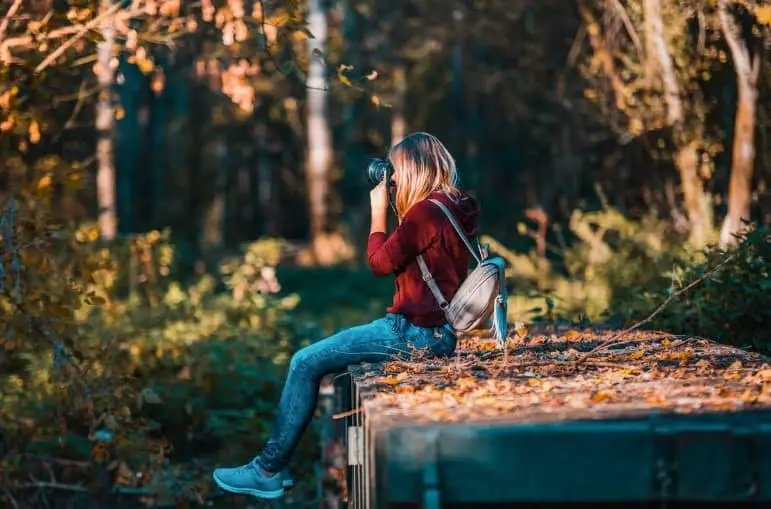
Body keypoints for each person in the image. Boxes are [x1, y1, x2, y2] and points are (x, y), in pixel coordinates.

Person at [211, 132, 480, 499]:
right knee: (314, 359)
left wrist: (377, 213)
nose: (393, 179)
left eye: (397, 170)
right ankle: (272, 468)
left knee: (304, 362)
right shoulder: (455, 206)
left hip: (413, 333)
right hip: (438, 332)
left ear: (414, 169)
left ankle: (267, 469)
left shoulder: (425, 213)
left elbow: (379, 263)